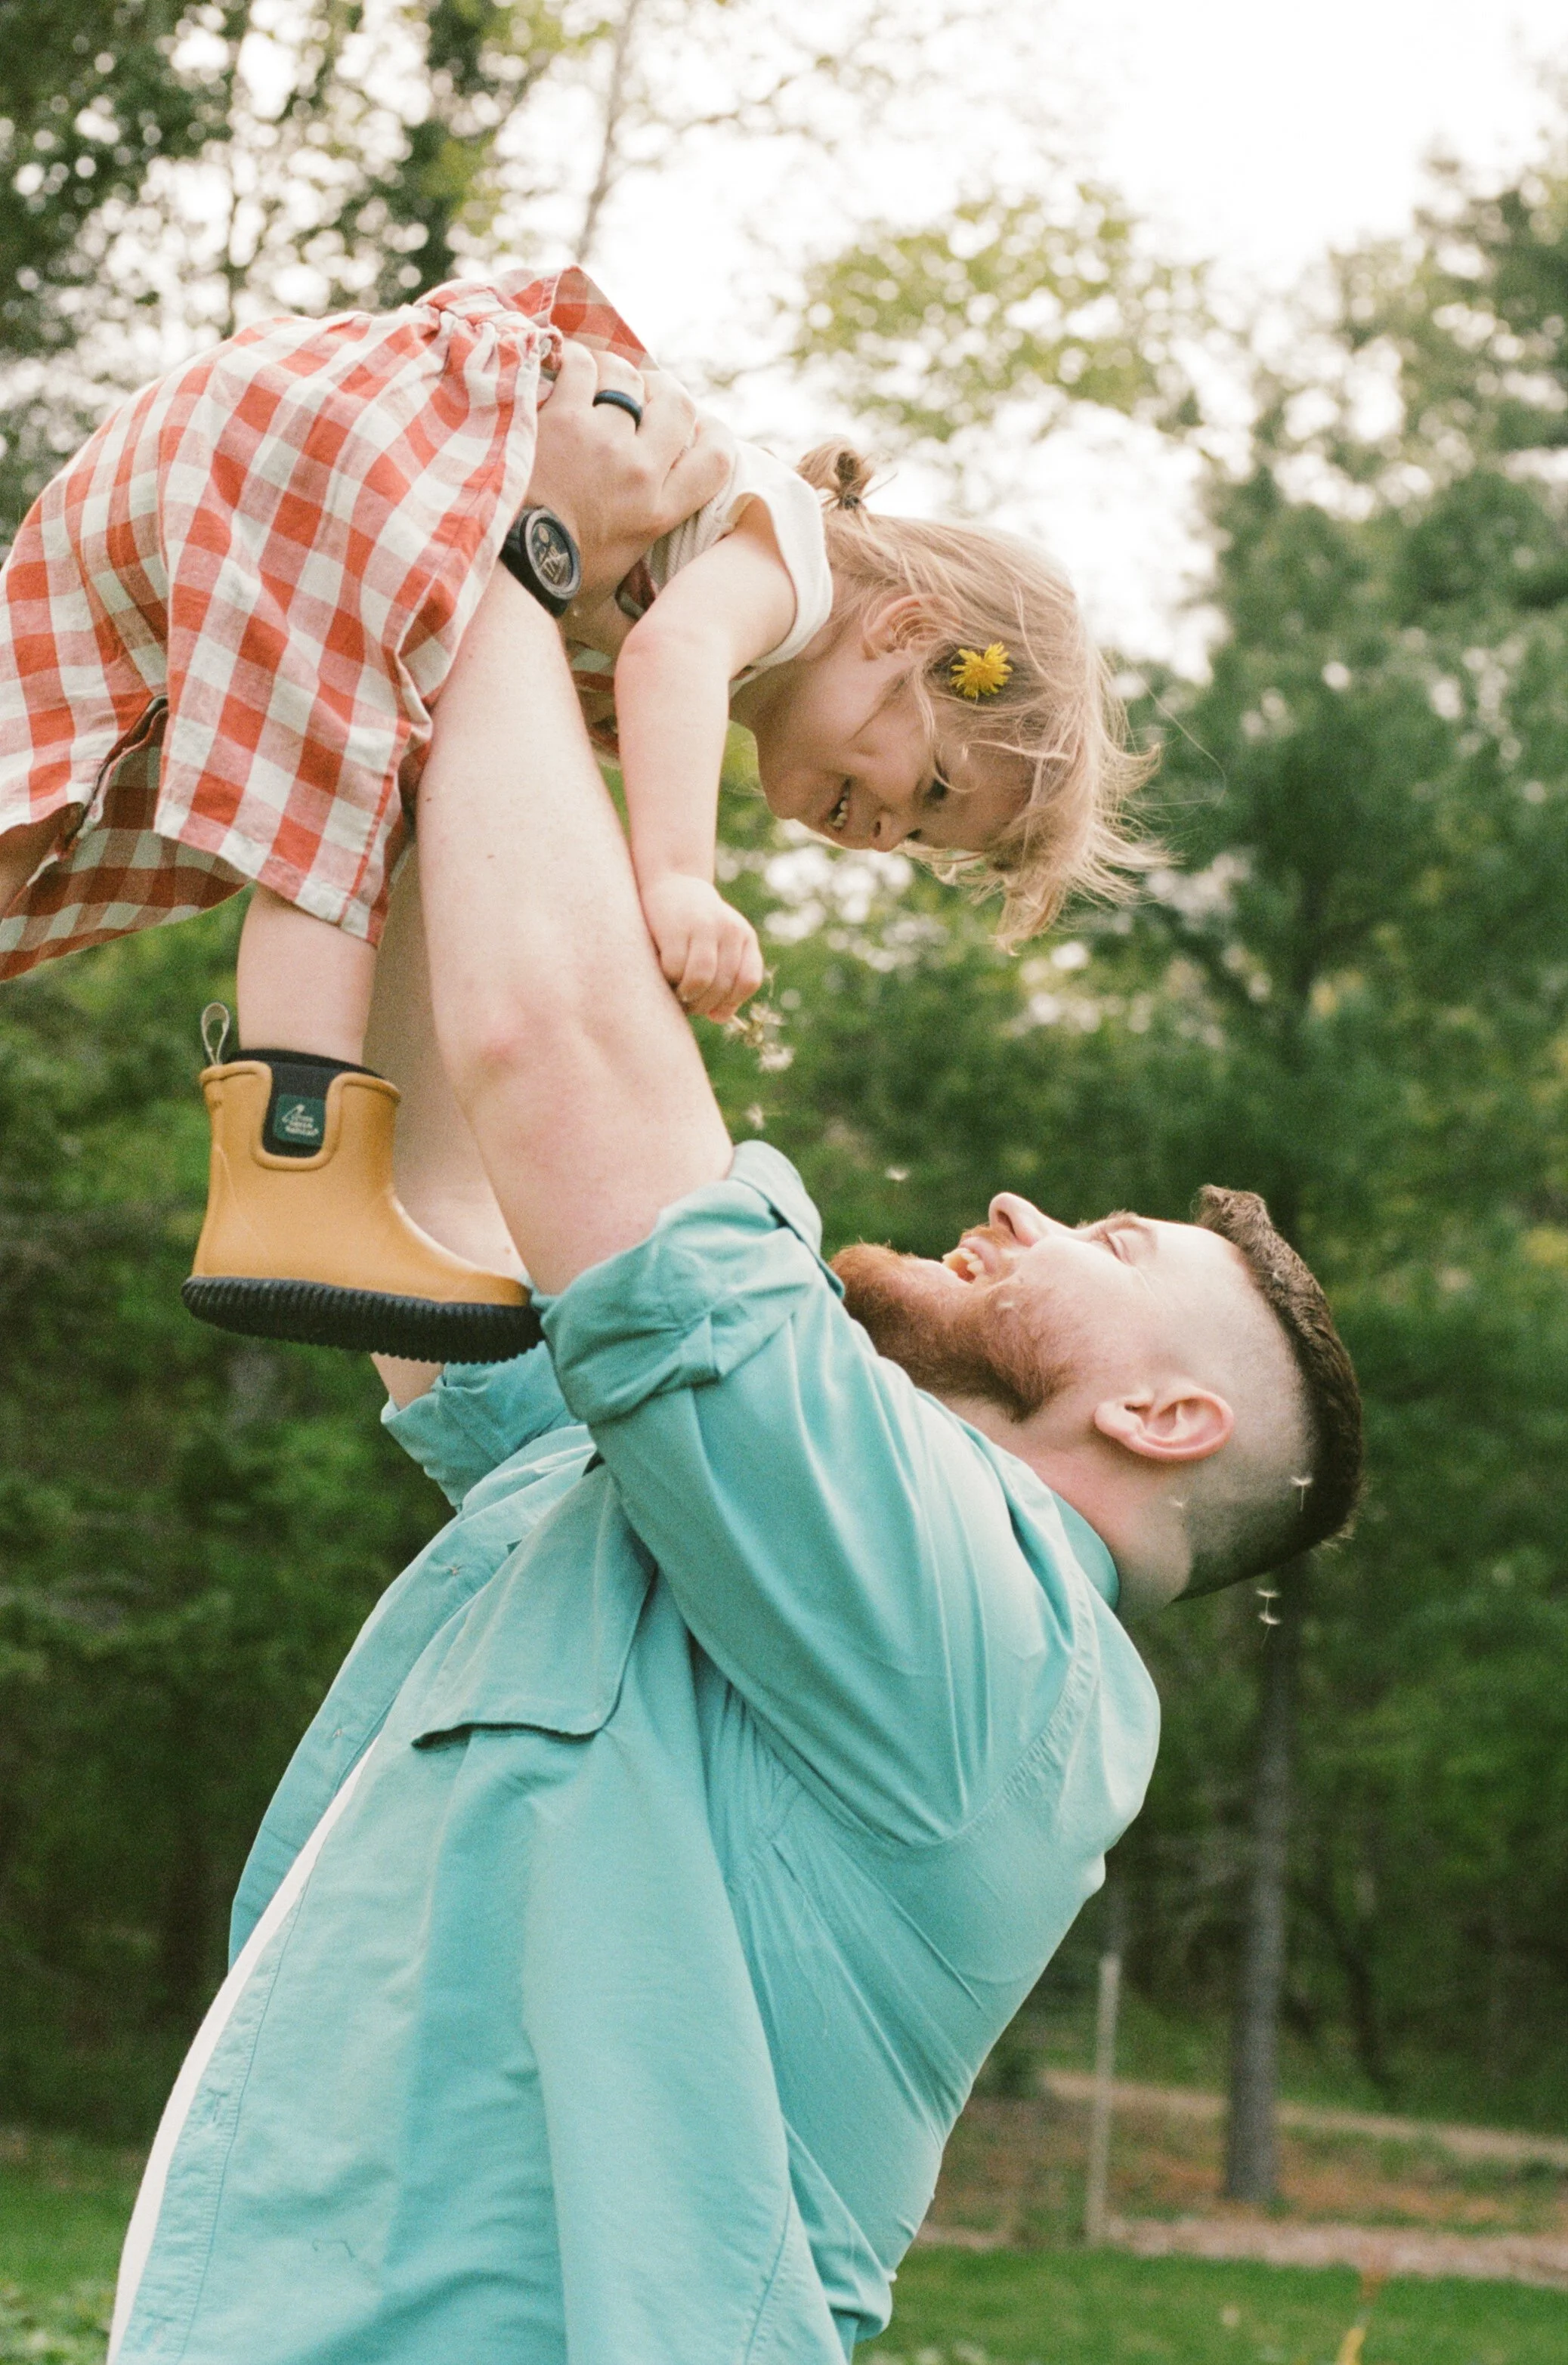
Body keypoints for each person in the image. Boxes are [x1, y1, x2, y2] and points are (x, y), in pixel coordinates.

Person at [106, 553, 1363, 2363]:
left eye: (1104, 1240)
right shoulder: (735, 1526)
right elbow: (447, 1203)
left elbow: (557, 1054)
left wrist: (492, 557)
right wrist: (478, 697)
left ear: (1166, 1418)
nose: (1021, 1204)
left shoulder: (997, 1651)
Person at [0, 267, 1143, 1364]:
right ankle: (294, 1169)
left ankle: (305, 1168)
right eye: (932, 784)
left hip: (255, 433)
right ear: (907, 629)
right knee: (334, 806)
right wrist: (677, 881)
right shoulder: (792, 572)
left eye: (921, 840)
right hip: (373, 446)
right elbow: (670, 657)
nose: (887, 828)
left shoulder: (725, 592)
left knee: (253, 785)